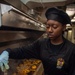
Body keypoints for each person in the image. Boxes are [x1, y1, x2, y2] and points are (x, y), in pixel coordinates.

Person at [0, 7, 75, 75]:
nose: (49, 30)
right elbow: (23, 51)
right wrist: (8, 52)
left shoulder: (71, 49)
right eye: (47, 26)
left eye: (54, 27)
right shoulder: (41, 44)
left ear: (63, 27)